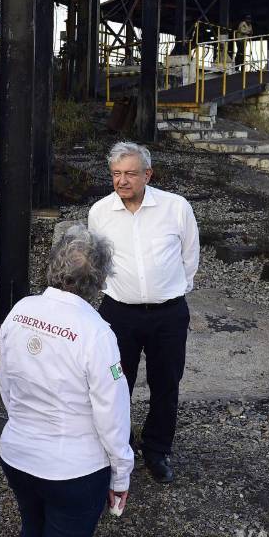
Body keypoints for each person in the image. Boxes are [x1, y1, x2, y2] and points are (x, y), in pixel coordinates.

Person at [0, 226, 134, 537]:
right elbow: (113, 416)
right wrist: (121, 473)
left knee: (33, 533)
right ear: (100, 279)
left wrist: (24, 424)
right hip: (74, 470)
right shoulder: (97, 333)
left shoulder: (21, 310)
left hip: (18, 454)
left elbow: (7, 383)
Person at [88, 142, 198, 484]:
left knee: (166, 383)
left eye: (131, 174)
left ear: (147, 175)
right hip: (119, 314)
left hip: (168, 314)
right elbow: (96, 261)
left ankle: (157, 450)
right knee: (116, 384)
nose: (122, 181)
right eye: (117, 174)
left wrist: (172, 289)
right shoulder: (100, 212)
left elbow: (189, 256)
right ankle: (117, 448)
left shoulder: (175, 208)